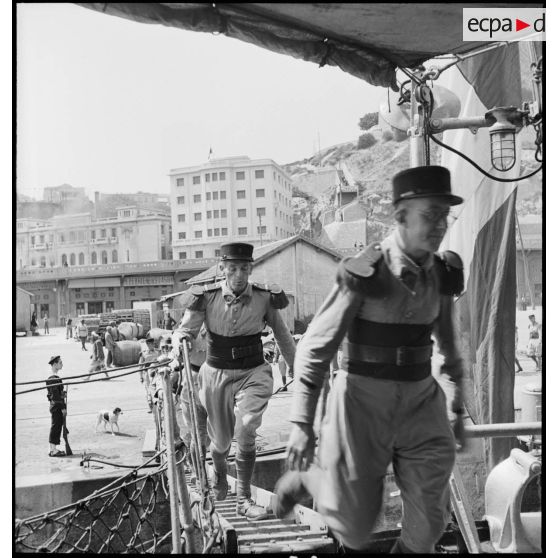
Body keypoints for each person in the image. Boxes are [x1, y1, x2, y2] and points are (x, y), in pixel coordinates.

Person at [274, 165, 466, 553]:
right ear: (399, 217)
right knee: (354, 526)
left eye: (444, 216)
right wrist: (301, 425)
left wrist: (457, 406)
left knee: (429, 525)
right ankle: (310, 480)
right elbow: (314, 349)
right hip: (362, 403)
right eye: (430, 216)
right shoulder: (365, 272)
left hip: (421, 405)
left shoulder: (442, 275)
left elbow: (448, 346)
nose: (440, 226)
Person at [172, 242, 296, 521]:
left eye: (244, 268)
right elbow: (185, 330)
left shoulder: (265, 298)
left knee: (248, 426)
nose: (238, 274)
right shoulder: (206, 297)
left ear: (250, 269)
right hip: (215, 375)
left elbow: (283, 335)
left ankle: (243, 500)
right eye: (233, 269)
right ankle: (218, 473)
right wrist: (179, 340)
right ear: (223, 270)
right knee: (220, 445)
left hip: (254, 373)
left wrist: (300, 368)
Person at [46, 355, 66, 457]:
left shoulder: (55, 377)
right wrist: (62, 408)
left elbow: (53, 394)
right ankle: (53, 450)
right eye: (60, 363)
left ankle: (53, 449)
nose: (62, 364)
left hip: (55, 405)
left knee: (57, 426)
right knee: (55, 427)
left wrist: (62, 393)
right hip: (56, 406)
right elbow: (55, 396)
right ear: (55, 364)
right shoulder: (53, 378)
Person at [138, 335, 160, 412]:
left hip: (157, 372)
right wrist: (140, 376)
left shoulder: (158, 352)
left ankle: (158, 404)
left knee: (157, 388)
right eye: (151, 344)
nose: (153, 345)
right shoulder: (143, 354)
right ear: (147, 345)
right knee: (148, 389)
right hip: (147, 373)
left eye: (153, 344)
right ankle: (151, 406)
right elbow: (140, 365)